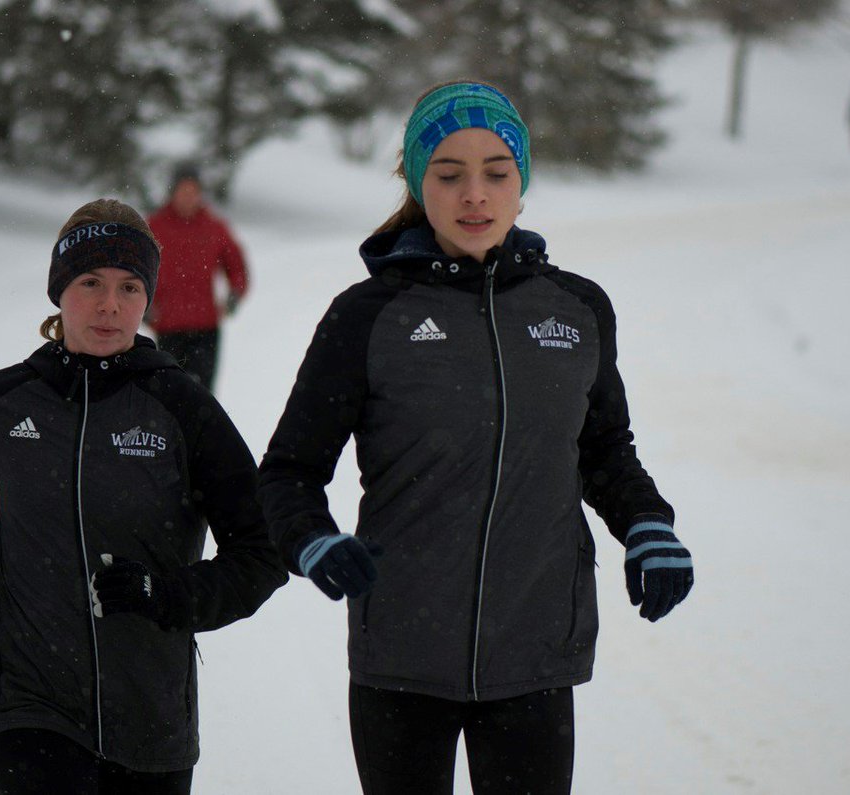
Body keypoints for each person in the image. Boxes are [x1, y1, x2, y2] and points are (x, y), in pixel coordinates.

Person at [258, 81, 694, 795]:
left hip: (535, 652)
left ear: (522, 185)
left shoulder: (577, 309)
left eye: (496, 172)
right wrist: (311, 539)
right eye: (449, 173)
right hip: (401, 655)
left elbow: (606, 452)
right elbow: (289, 470)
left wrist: (648, 524)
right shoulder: (368, 315)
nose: (474, 195)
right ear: (418, 184)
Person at [0, 198, 287, 794]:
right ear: (59, 290)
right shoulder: (2, 401)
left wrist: (168, 596)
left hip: (149, 712)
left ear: (149, 299)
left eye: (130, 286)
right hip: (23, 702)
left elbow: (263, 549)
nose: (110, 305)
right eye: (90, 282)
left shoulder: (183, 408)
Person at [146, 162, 250, 391]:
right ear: (172, 192)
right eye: (183, 191)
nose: (188, 197)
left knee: (203, 395)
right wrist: (143, 305)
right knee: (168, 393)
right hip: (167, 327)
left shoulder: (214, 227)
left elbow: (237, 266)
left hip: (206, 328)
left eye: (194, 192)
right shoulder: (155, 227)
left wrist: (234, 294)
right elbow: (136, 270)